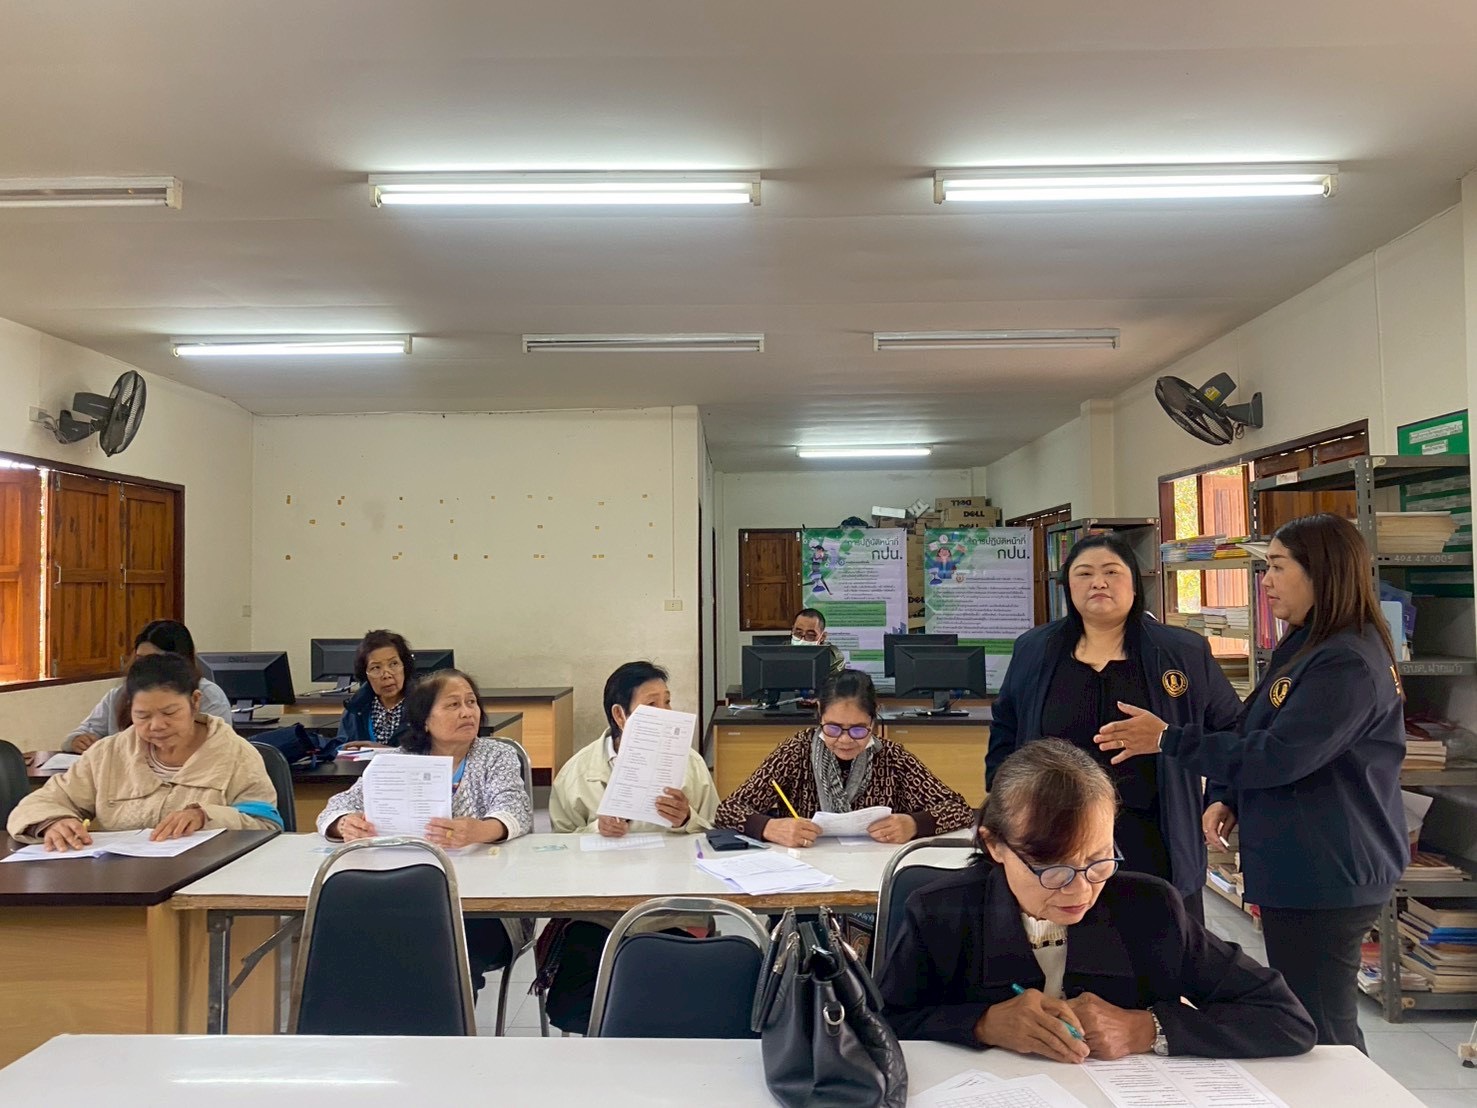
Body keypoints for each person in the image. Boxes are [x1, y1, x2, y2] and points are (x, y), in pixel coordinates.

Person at [1096, 513, 1407, 1050]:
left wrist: (1168, 739)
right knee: (1306, 1010)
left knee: (1320, 1024)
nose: (1266, 582)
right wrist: (1229, 796)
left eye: (1279, 567)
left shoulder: (1346, 661)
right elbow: (1255, 726)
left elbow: (1281, 755)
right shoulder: (1306, 643)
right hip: (1302, 863)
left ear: (1321, 572)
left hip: (1328, 866)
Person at [878, 740, 1315, 1061]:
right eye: (1052, 869)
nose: (1080, 890)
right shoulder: (940, 913)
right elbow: (882, 1025)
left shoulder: (1150, 909)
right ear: (995, 845)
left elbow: (1285, 1018)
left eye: (1098, 861)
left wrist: (1148, 1028)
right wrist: (982, 1023)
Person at [986, 531, 1242, 921]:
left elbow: (1231, 729)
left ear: (1134, 583)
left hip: (1156, 837)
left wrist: (1222, 796)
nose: (1098, 583)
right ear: (1068, 587)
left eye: (1111, 572)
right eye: (1084, 574)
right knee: (1065, 945)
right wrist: (1006, 801)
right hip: (1056, 841)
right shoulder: (1035, 649)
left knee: (1160, 943)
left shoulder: (1182, 651)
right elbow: (1005, 727)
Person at [318, 668, 534, 995]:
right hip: (405, 893)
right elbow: (337, 805)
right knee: (363, 942)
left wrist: (479, 830)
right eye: (453, 705)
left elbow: (516, 810)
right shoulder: (399, 761)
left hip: (485, 905)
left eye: (471, 702)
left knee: (441, 953)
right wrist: (344, 822)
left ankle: (447, 1022)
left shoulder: (496, 755)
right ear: (424, 721)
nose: (467, 712)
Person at [537, 660, 720, 1033]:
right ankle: (608, 1053)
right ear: (620, 715)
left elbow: (718, 833)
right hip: (599, 912)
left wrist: (687, 819)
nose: (665, 713)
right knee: (579, 999)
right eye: (652, 705)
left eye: (668, 702)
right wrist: (595, 829)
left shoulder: (690, 765)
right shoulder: (578, 771)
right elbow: (557, 851)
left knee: (673, 998)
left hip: (672, 909)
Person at [11, 652, 283, 846]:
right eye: (142, 716)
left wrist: (205, 816)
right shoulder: (108, 754)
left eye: (170, 713)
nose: (156, 726)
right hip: (121, 881)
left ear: (195, 701)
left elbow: (265, 824)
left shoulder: (236, 754)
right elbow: (39, 803)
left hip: (209, 880)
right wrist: (53, 822)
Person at [715, 669, 974, 847]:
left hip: (875, 873)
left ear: (874, 718)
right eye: (833, 728)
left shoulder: (892, 758)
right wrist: (769, 827)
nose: (845, 740)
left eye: (859, 730)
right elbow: (727, 811)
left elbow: (959, 809)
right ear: (819, 713)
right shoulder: (796, 751)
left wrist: (915, 824)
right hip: (807, 871)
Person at [62, 619, 232, 753]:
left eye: (169, 712)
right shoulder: (120, 694)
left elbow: (217, 748)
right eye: (140, 659)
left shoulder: (208, 695)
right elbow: (82, 732)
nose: (145, 667)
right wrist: (77, 740)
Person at [335, 629, 416, 749]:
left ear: (404, 665)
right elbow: (340, 749)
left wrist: (383, 751)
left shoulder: (423, 705)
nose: (386, 675)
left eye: (393, 664)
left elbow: (432, 753)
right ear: (365, 674)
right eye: (376, 668)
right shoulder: (355, 708)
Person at [790, 607, 847, 683]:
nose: (802, 639)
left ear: (822, 637)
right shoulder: (780, 652)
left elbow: (833, 686)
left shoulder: (833, 658)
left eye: (810, 635)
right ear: (792, 630)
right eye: (798, 633)